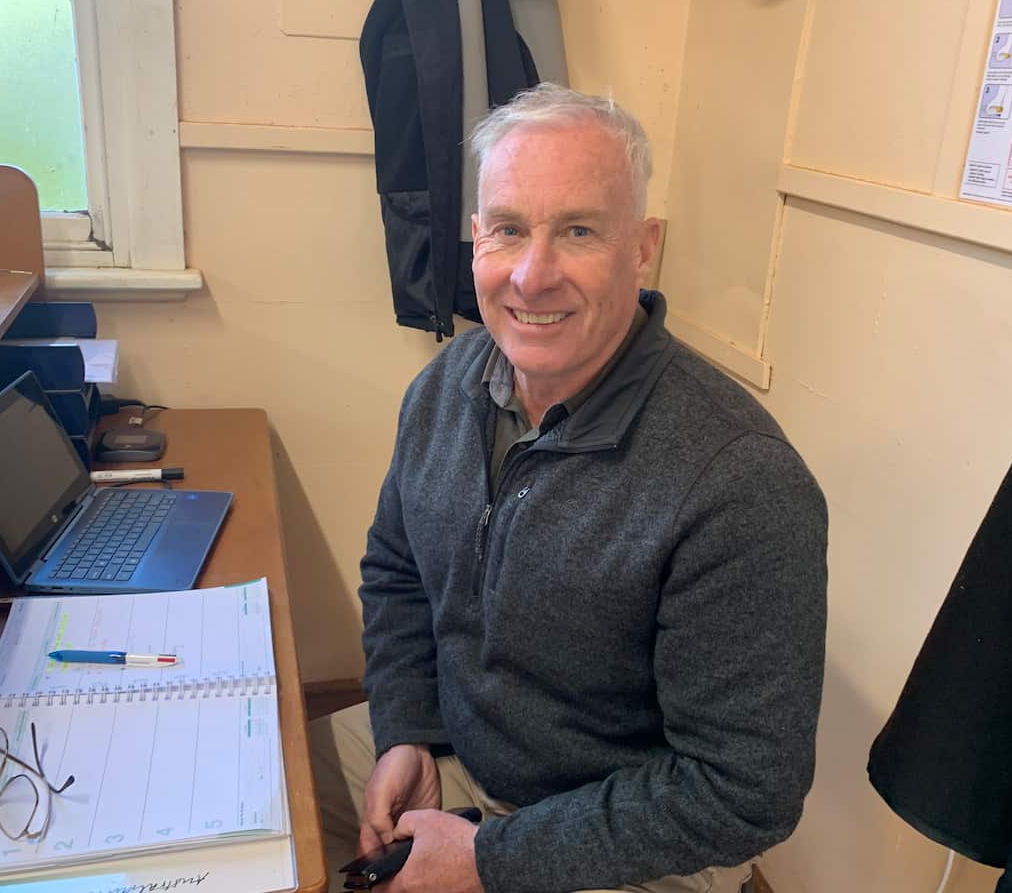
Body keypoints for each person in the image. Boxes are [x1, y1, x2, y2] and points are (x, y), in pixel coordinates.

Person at [310, 83, 828, 893]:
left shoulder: (740, 481)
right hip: (459, 756)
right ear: (475, 238)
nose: (532, 273)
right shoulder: (446, 387)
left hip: (629, 839)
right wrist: (408, 732)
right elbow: (397, 570)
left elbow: (744, 792)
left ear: (643, 247)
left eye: (578, 230)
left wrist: (490, 861)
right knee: (255, 802)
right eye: (508, 229)